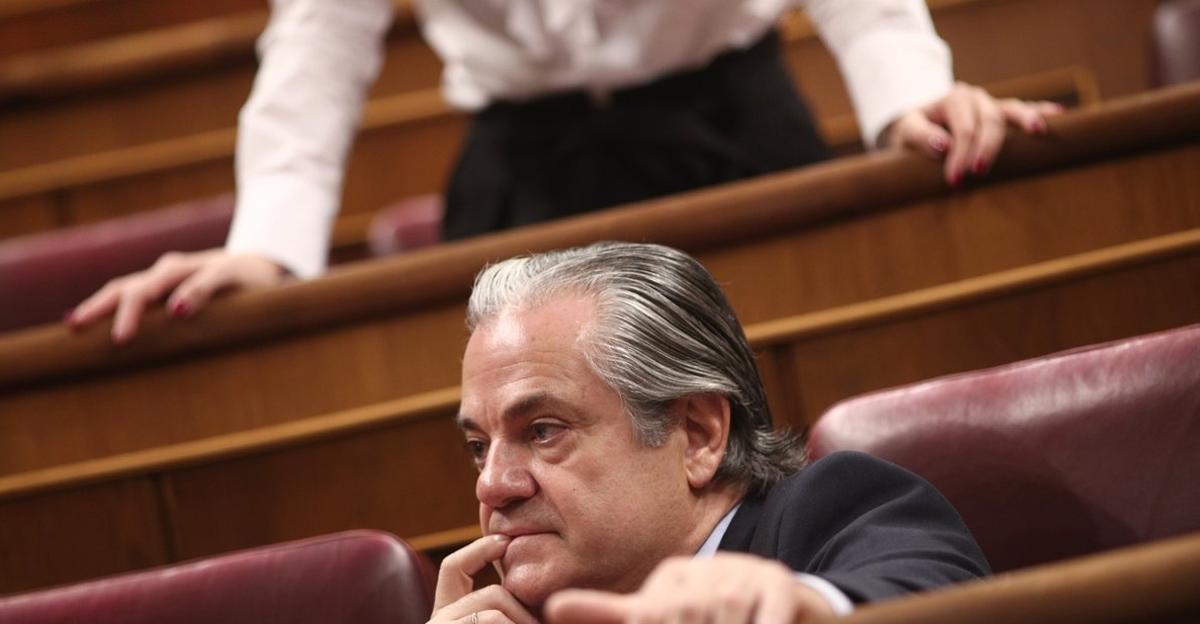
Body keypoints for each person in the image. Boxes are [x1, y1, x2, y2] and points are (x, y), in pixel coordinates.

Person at [66, 1, 1061, 343]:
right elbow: (316, 45)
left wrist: (907, 101)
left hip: (732, 129)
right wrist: (268, 251)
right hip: (522, 170)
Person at [420, 241, 989, 624]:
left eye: (543, 431)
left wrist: (800, 611)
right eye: (477, 445)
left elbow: (957, 611)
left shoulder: (830, 506)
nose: (491, 484)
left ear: (698, 435)